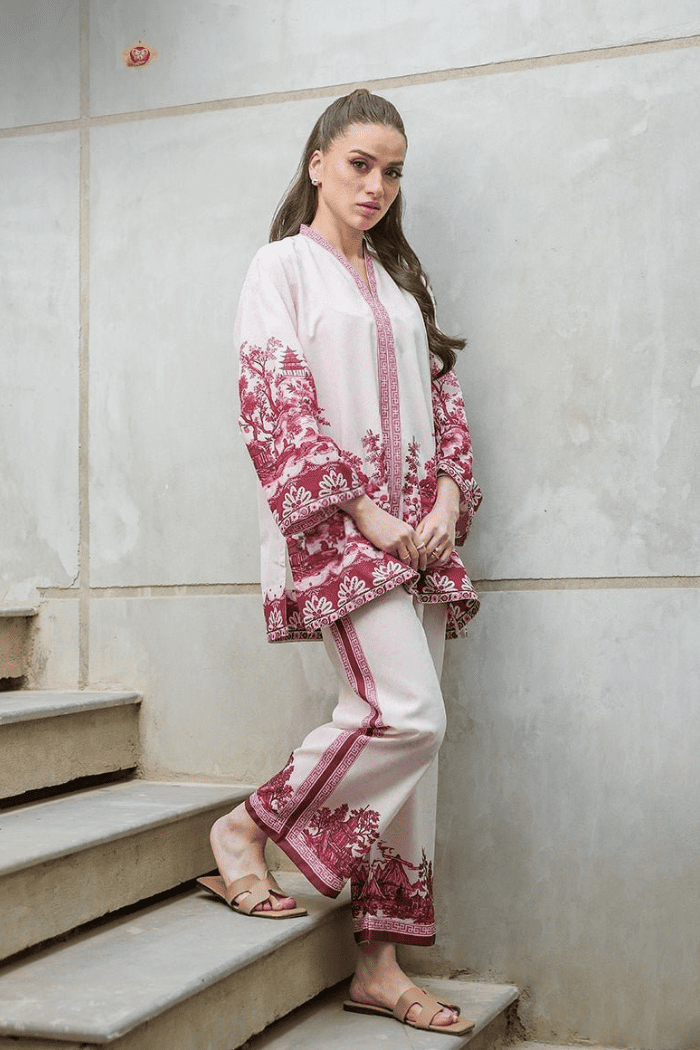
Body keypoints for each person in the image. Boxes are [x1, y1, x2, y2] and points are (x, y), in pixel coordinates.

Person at [198, 88, 482, 1036]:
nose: (376, 186)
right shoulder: (281, 270)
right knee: (410, 717)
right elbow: (274, 405)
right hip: (339, 535)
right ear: (318, 161)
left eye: (393, 171)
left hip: (419, 542)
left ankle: (379, 966)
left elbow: (447, 410)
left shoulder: (398, 288)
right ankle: (249, 826)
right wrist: (367, 516)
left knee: (416, 759)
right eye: (360, 164)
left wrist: (442, 504)